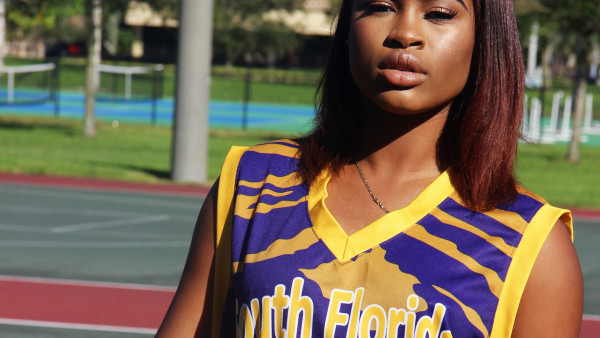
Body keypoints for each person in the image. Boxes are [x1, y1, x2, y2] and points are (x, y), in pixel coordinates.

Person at [157, 0, 583, 336]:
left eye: (439, 14)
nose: (404, 33)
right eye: (380, 6)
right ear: (346, 29)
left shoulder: (531, 245)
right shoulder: (252, 183)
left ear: (485, 41)